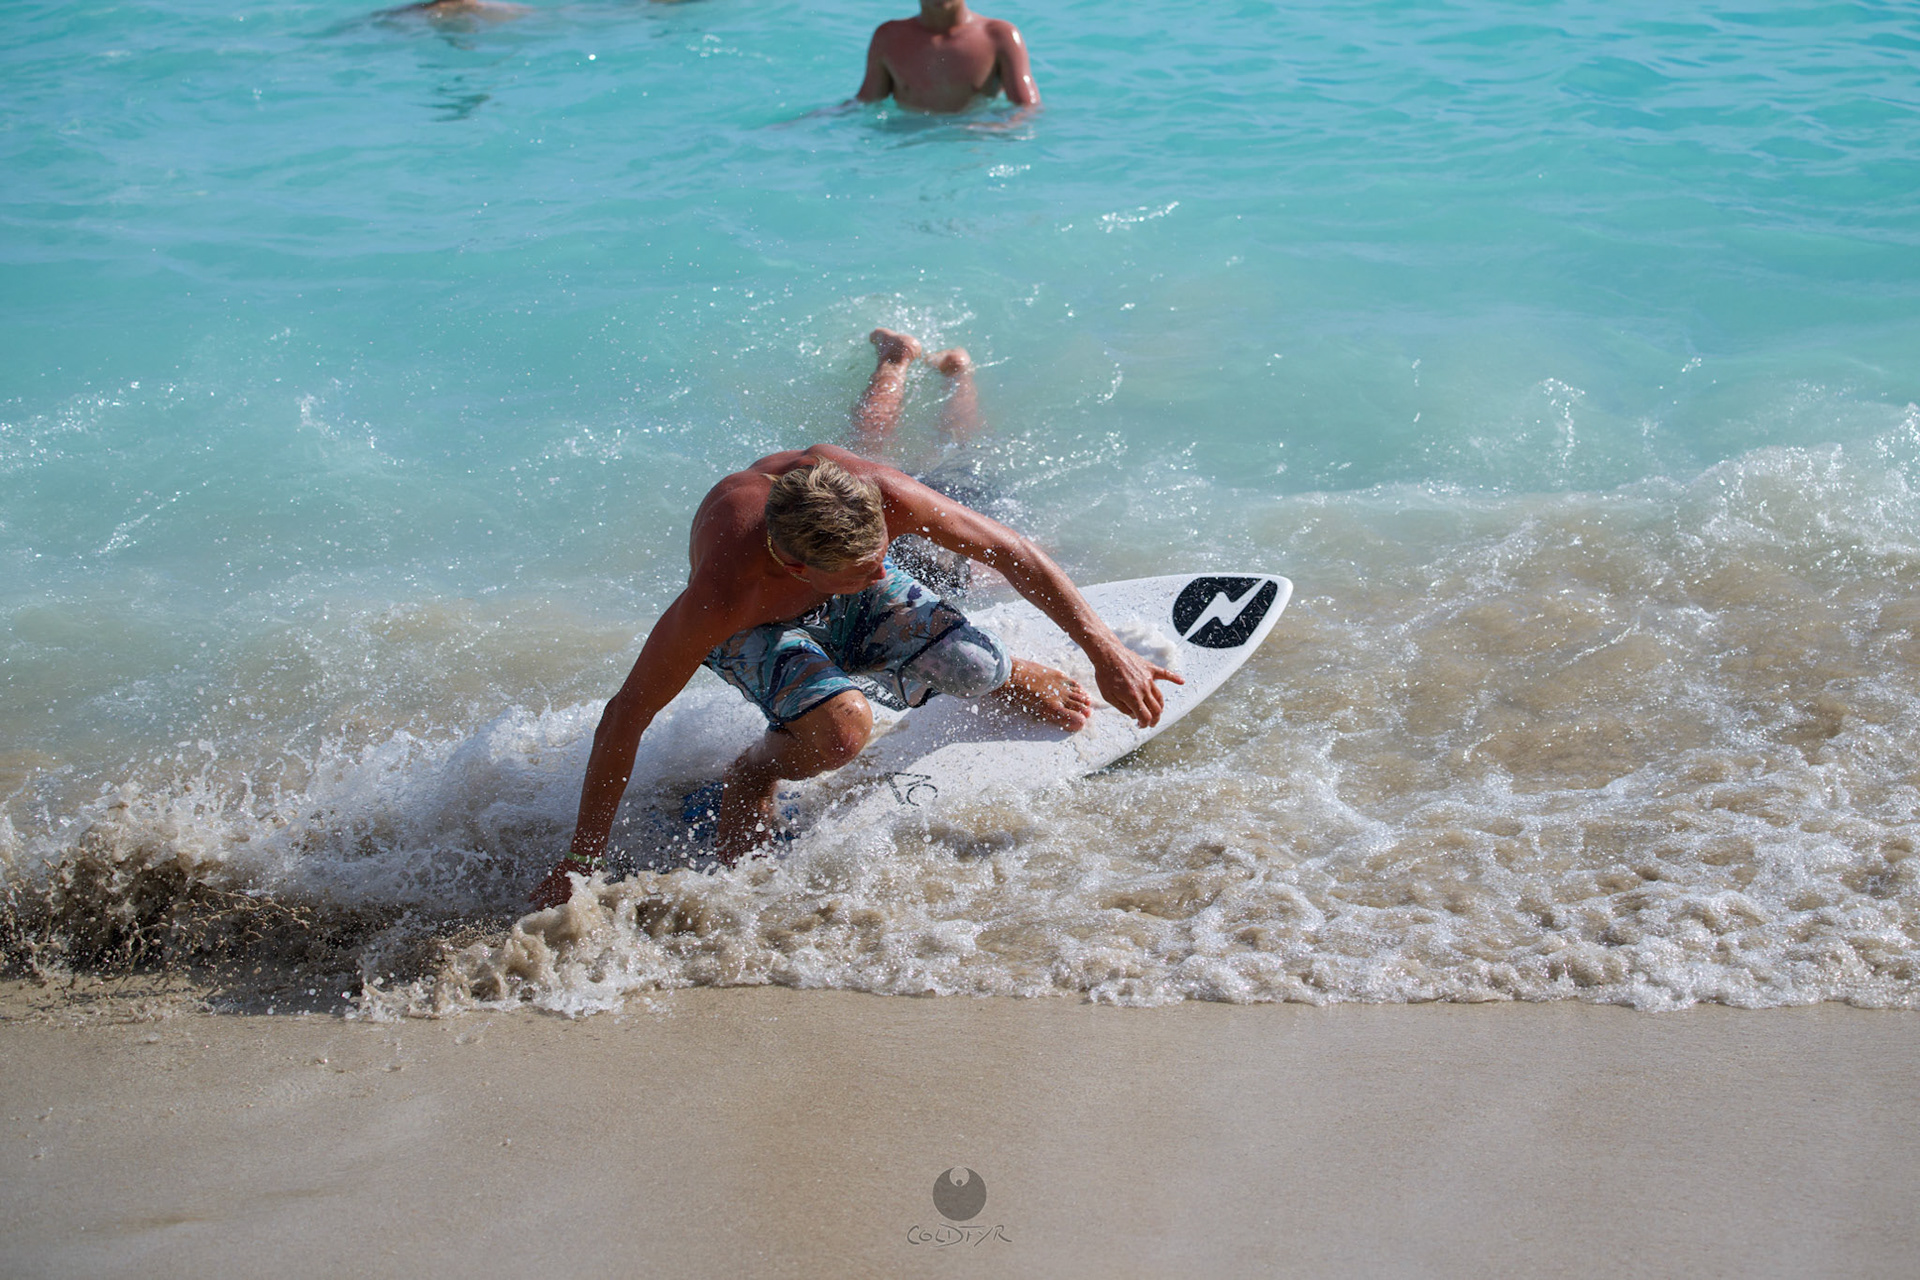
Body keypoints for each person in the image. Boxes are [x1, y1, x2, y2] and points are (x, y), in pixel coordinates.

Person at [528, 446, 1179, 908]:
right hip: (754, 629)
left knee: (975, 667)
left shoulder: (879, 497)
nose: (882, 572)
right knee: (841, 734)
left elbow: (1012, 551)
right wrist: (583, 858)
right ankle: (754, 770)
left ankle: (1007, 672)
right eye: (864, 566)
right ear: (792, 562)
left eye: (881, 555)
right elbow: (625, 716)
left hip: (831, 575)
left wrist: (1102, 650)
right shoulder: (724, 593)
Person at [856, 1, 1040, 114]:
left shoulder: (999, 36)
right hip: (910, 144)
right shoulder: (888, 38)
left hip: (972, 145)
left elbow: (1027, 110)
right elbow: (866, 103)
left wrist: (992, 129)